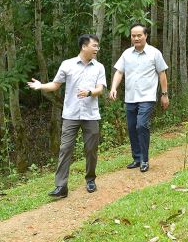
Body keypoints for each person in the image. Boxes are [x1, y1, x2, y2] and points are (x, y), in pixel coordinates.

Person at [27, 34, 106, 198]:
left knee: (91, 149)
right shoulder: (67, 65)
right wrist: (41, 85)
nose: (97, 49)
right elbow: (55, 85)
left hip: (91, 115)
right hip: (70, 114)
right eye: (95, 46)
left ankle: (90, 179)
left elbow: (100, 89)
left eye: (98, 46)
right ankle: (61, 186)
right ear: (84, 46)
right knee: (65, 149)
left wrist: (90, 92)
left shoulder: (99, 67)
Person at [109, 23, 169, 173]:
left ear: (146, 36)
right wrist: (113, 88)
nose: (136, 38)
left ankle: (144, 159)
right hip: (130, 97)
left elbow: (162, 74)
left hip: (147, 96)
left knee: (141, 125)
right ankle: (136, 158)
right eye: (133, 36)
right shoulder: (127, 54)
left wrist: (164, 95)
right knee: (131, 128)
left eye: (139, 35)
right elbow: (119, 72)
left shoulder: (154, 53)